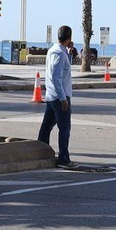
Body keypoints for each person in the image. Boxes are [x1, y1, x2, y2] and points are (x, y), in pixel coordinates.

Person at [38, 25, 75, 167]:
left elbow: (61, 70)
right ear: (69, 37)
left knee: (46, 126)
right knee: (64, 128)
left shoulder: (55, 51)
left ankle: (40, 151)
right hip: (59, 97)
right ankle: (63, 158)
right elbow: (56, 76)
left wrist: (69, 52)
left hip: (52, 96)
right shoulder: (58, 53)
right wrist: (63, 98)